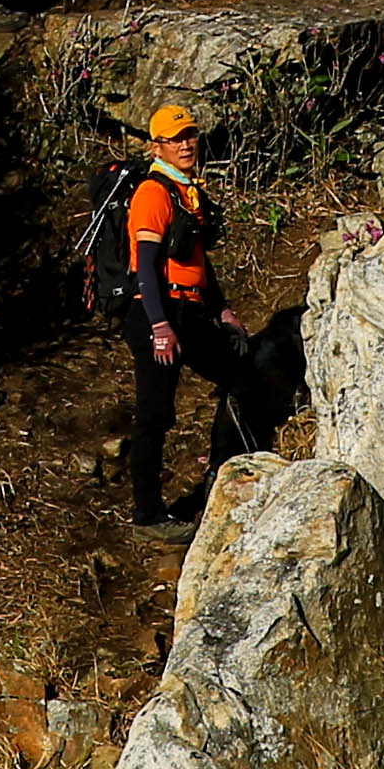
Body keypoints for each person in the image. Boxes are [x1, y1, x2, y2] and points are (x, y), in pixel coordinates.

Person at [120, 102, 266, 533]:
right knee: (154, 414)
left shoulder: (187, 192)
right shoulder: (153, 194)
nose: (186, 145)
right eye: (175, 139)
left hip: (189, 310)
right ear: (157, 146)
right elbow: (146, 267)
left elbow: (198, 260)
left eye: (190, 136)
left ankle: (223, 472)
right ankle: (147, 515)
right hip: (157, 312)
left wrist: (221, 309)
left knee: (239, 373)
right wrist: (159, 325)